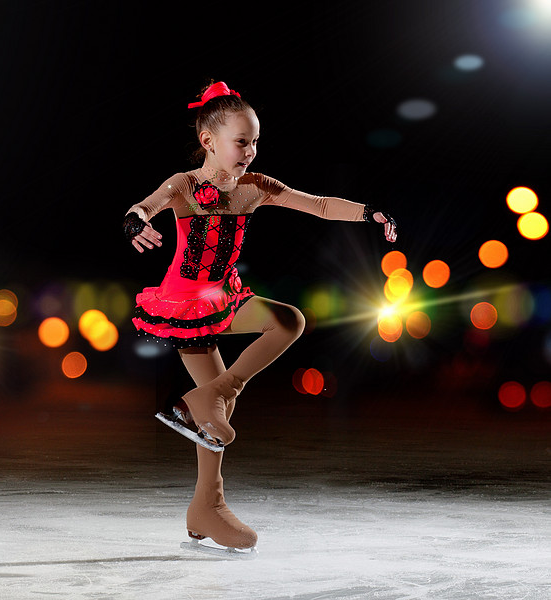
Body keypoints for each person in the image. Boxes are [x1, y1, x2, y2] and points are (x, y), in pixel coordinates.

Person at [122, 81, 398, 552]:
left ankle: (203, 451)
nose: (250, 151)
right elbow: (144, 206)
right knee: (219, 412)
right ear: (209, 141)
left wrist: (368, 213)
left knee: (285, 324)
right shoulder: (184, 185)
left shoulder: (255, 187)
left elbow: (319, 205)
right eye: (241, 141)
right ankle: (206, 500)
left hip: (226, 297)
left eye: (254, 142)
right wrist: (135, 222)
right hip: (185, 303)